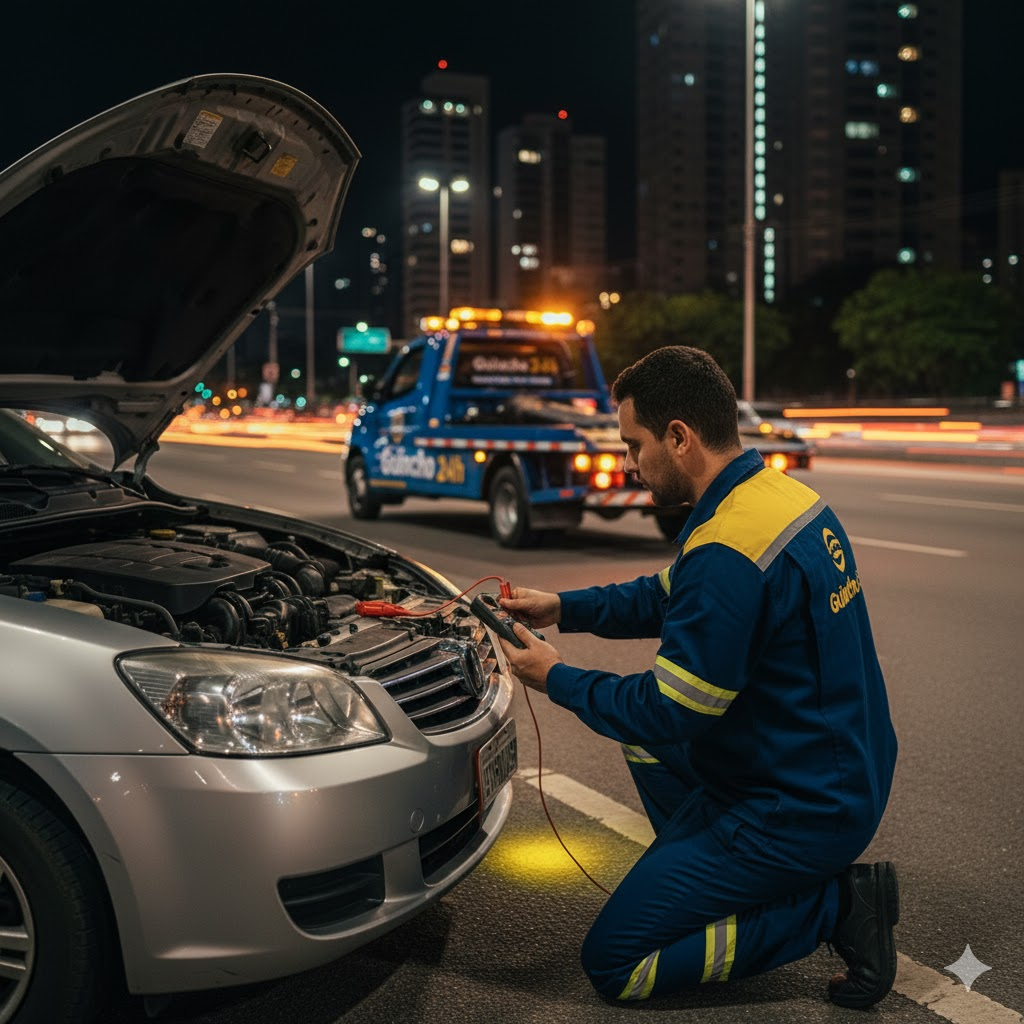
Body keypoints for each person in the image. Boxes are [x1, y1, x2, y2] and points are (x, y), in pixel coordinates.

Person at [497, 345, 899, 1008]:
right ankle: (718, 876)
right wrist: (563, 608)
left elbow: (668, 711)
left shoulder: (727, 551)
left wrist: (555, 676)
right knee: (642, 744)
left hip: (801, 807)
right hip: (840, 768)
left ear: (679, 437)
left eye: (634, 444)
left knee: (617, 963)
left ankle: (836, 905)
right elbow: (665, 595)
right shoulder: (775, 500)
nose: (630, 463)